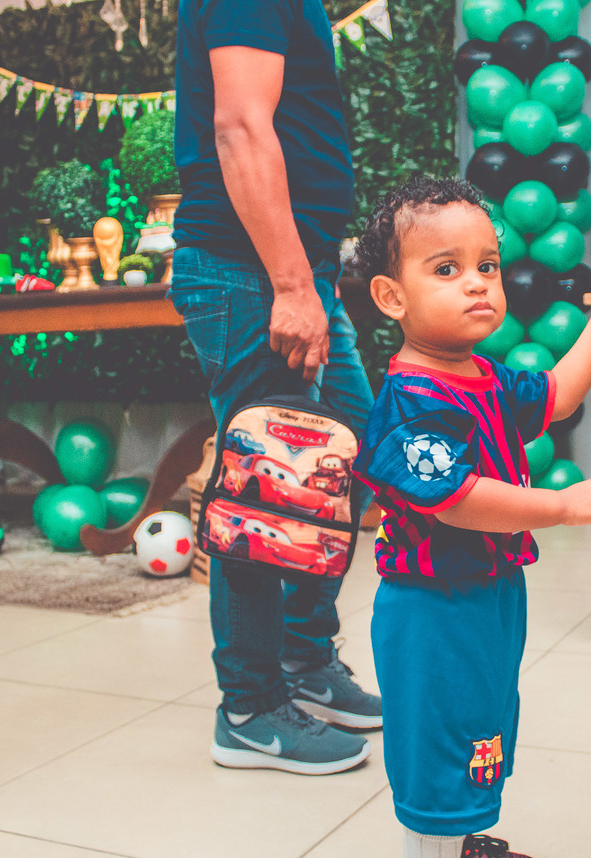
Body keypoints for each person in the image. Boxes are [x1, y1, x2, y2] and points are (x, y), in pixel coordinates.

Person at [350, 177, 591, 858]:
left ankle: (465, 840)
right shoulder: (412, 400)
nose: (477, 283)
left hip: (486, 596)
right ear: (392, 298)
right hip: (432, 609)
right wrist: (559, 506)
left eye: (488, 265)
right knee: (438, 742)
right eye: (446, 269)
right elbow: (457, 499)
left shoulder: (478, 375)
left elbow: (557, 395)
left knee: (481, 721)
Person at [169, 0, 382, 776]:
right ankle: (251, 708)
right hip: (253, 273)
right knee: (265, 487)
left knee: (352, 449)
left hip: (297, 273)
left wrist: (309, 281)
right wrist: (292, 286)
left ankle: (302, 661)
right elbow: (240, 128)